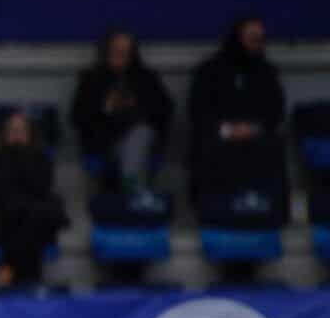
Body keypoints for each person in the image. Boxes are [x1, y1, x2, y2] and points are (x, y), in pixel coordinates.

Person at [187, 15, 287, 216]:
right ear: (237, 38)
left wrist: (252, 129)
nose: (257, 45)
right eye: (252, 39)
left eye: (260, 40)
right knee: (208, 148)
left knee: (272, 147)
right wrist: (226, 130)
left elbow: (275, 110)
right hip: (218, 135)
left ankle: (267, 213)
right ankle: (213, 212)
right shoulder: (210, 70)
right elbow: (197, 110)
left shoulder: (267, 72)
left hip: (256, 135)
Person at [70, 27, 173, 191]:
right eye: (116, 51)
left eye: (126, 51)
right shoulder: (91, 80)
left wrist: (137, 105)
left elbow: (165, 110)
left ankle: (132, 186)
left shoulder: (146, 78)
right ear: (106, 52)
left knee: (141, 135)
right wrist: (105, 107)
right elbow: (77, 117)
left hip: (142, 137)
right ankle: (136, 191)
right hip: (104, 144)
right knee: (136, 142)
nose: (121, 56)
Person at [0, 110, 69, 289]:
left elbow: (41, 188)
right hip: (4, 217)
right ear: (4, 134)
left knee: (31, 218)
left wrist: (22, 157)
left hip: (32, 217)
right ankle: (25, 279)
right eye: (12, 130)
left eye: (21, 130)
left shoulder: (41, 158)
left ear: (29, 134)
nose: (16, 134)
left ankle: (13, 275)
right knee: (18, 216)